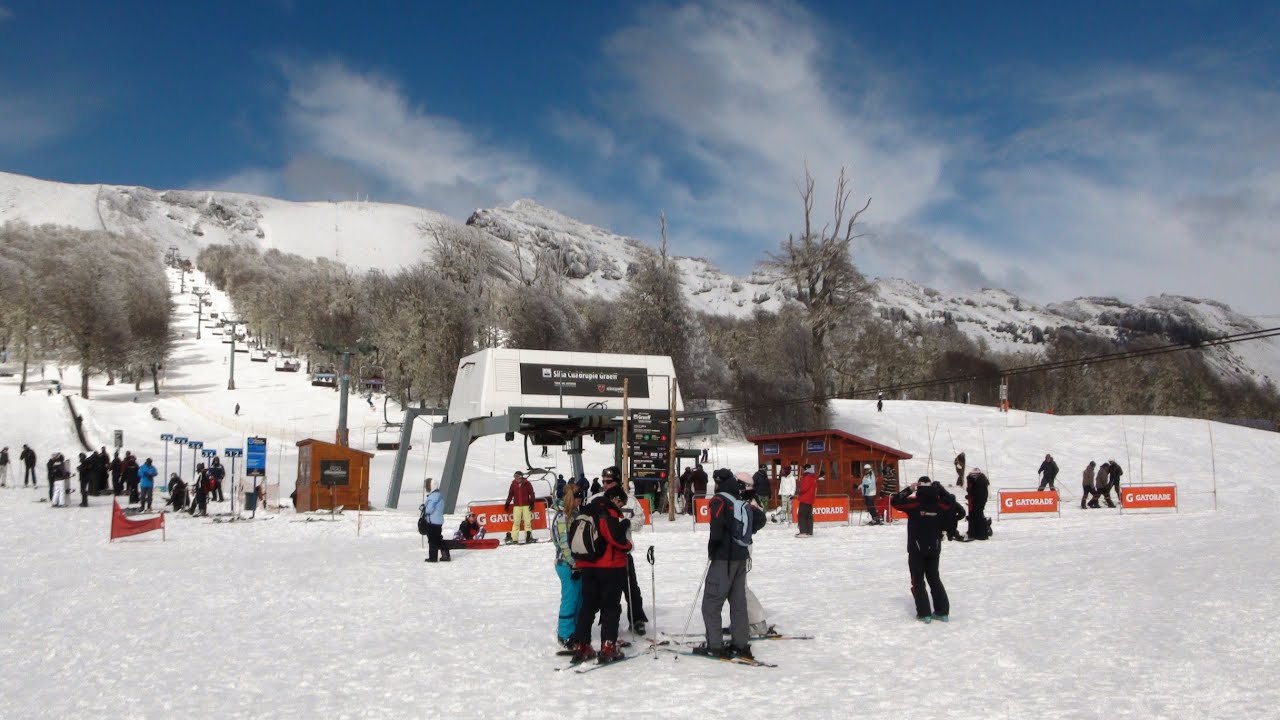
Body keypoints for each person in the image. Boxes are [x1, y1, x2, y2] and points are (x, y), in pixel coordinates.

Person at [693, 468, 768, 660]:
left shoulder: (719, 500)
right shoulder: (740, 500)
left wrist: (712, 550)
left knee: (711, 603)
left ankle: (715, 646)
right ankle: (740, 643)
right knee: (738, 603)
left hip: (723, 559)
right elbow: (760, 518)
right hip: (741, 557)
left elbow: (716, 529)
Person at [569, 486, 632, 665]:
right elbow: (614, 538)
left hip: (587, 565)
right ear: (614, 499)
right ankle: (608, 645)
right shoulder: (606, 512)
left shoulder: (586, 511)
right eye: (620, 501)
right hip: (610, 566)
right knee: (611, 606)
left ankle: (582, 644)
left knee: (588, 606)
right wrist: (626, 542)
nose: (620, 505)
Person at [892, 477, 964, 622]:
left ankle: (924, 614)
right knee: (934, 579)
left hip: (916, 548)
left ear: (919, 488)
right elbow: (959, 511)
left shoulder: (915, 503)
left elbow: (895, 501)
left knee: (918, 580)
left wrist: (909, 489)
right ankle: (942, 612)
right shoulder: (941, 503)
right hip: (935, 546)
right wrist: (943, 491)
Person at [550, 484, 583, 649]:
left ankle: (576, 630)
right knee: (570, 598)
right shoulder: (562, 517)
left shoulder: (575, 514)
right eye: (579, 498)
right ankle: (565, 634)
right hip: (566, 563)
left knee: (579, 598)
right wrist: (573, 563)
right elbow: (564, 543)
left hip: (577, 563)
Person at [504, 470, 536, 544]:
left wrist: (532, 503)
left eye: (517, 477)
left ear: (521, 477)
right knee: (516, 522)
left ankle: (529, 537)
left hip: (526, 505)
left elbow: (532, 493)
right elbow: (510, 494)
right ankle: (514, 538)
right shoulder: (513, 484)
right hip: (517, 506)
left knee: (527, 522)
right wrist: (507, 503)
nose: (516, 479)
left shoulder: (527, 483)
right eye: (515, 477)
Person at [422, 487, 449, 563]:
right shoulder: (440, 496)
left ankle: (433, 558)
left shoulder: (433, 497)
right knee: (438, 539)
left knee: (432, 540)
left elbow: (429, 510)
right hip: (439, 521)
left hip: (432, 521)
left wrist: (423, 508)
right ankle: (445, 555)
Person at [965, 467, 991, 540]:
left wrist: (971, 494)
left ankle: (980, 534)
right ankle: (976, 533)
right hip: (977, 501)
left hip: (978, 502)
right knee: (976, 516)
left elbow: (978, 491)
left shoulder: (981, 481)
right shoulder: (981, 480)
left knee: (978, 516)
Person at [794, 464, 818, 537]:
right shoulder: (813, 477)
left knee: (802, 515)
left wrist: (798, 489)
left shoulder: (807, 477)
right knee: (809, 516)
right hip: (810, 499)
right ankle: (809, 532)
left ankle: (803, 532)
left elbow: (804, 488)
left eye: (803, 469)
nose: (802, 470)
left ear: (806, 469)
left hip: (805, 498)